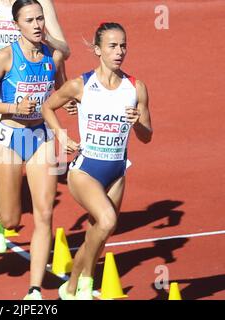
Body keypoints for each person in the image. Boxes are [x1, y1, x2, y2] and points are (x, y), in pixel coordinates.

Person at [41, 22, 153, 300]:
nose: (119, 52)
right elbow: (48, 106)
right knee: (106, 221)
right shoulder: (81, 85)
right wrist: (62, 137)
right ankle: (86, 281)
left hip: (117, 170)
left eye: (123, 45)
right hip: (85, 169)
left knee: (99, 233)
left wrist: (138, 123)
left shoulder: (136, 88)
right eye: (112, 46)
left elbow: (147, 136)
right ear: (97, 49)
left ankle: (71, 285)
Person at [0, 0, 64, 300]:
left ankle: (34, 290)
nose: (37, 25)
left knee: (45, 214)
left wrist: (69, 102)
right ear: (16, 25)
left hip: (41, 136)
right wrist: (12, 107)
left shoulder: (54, 54)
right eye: (29, 20)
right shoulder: (5, 57)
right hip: (9, 137)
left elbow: (59, 91)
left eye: (40, 19)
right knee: (11, 221)